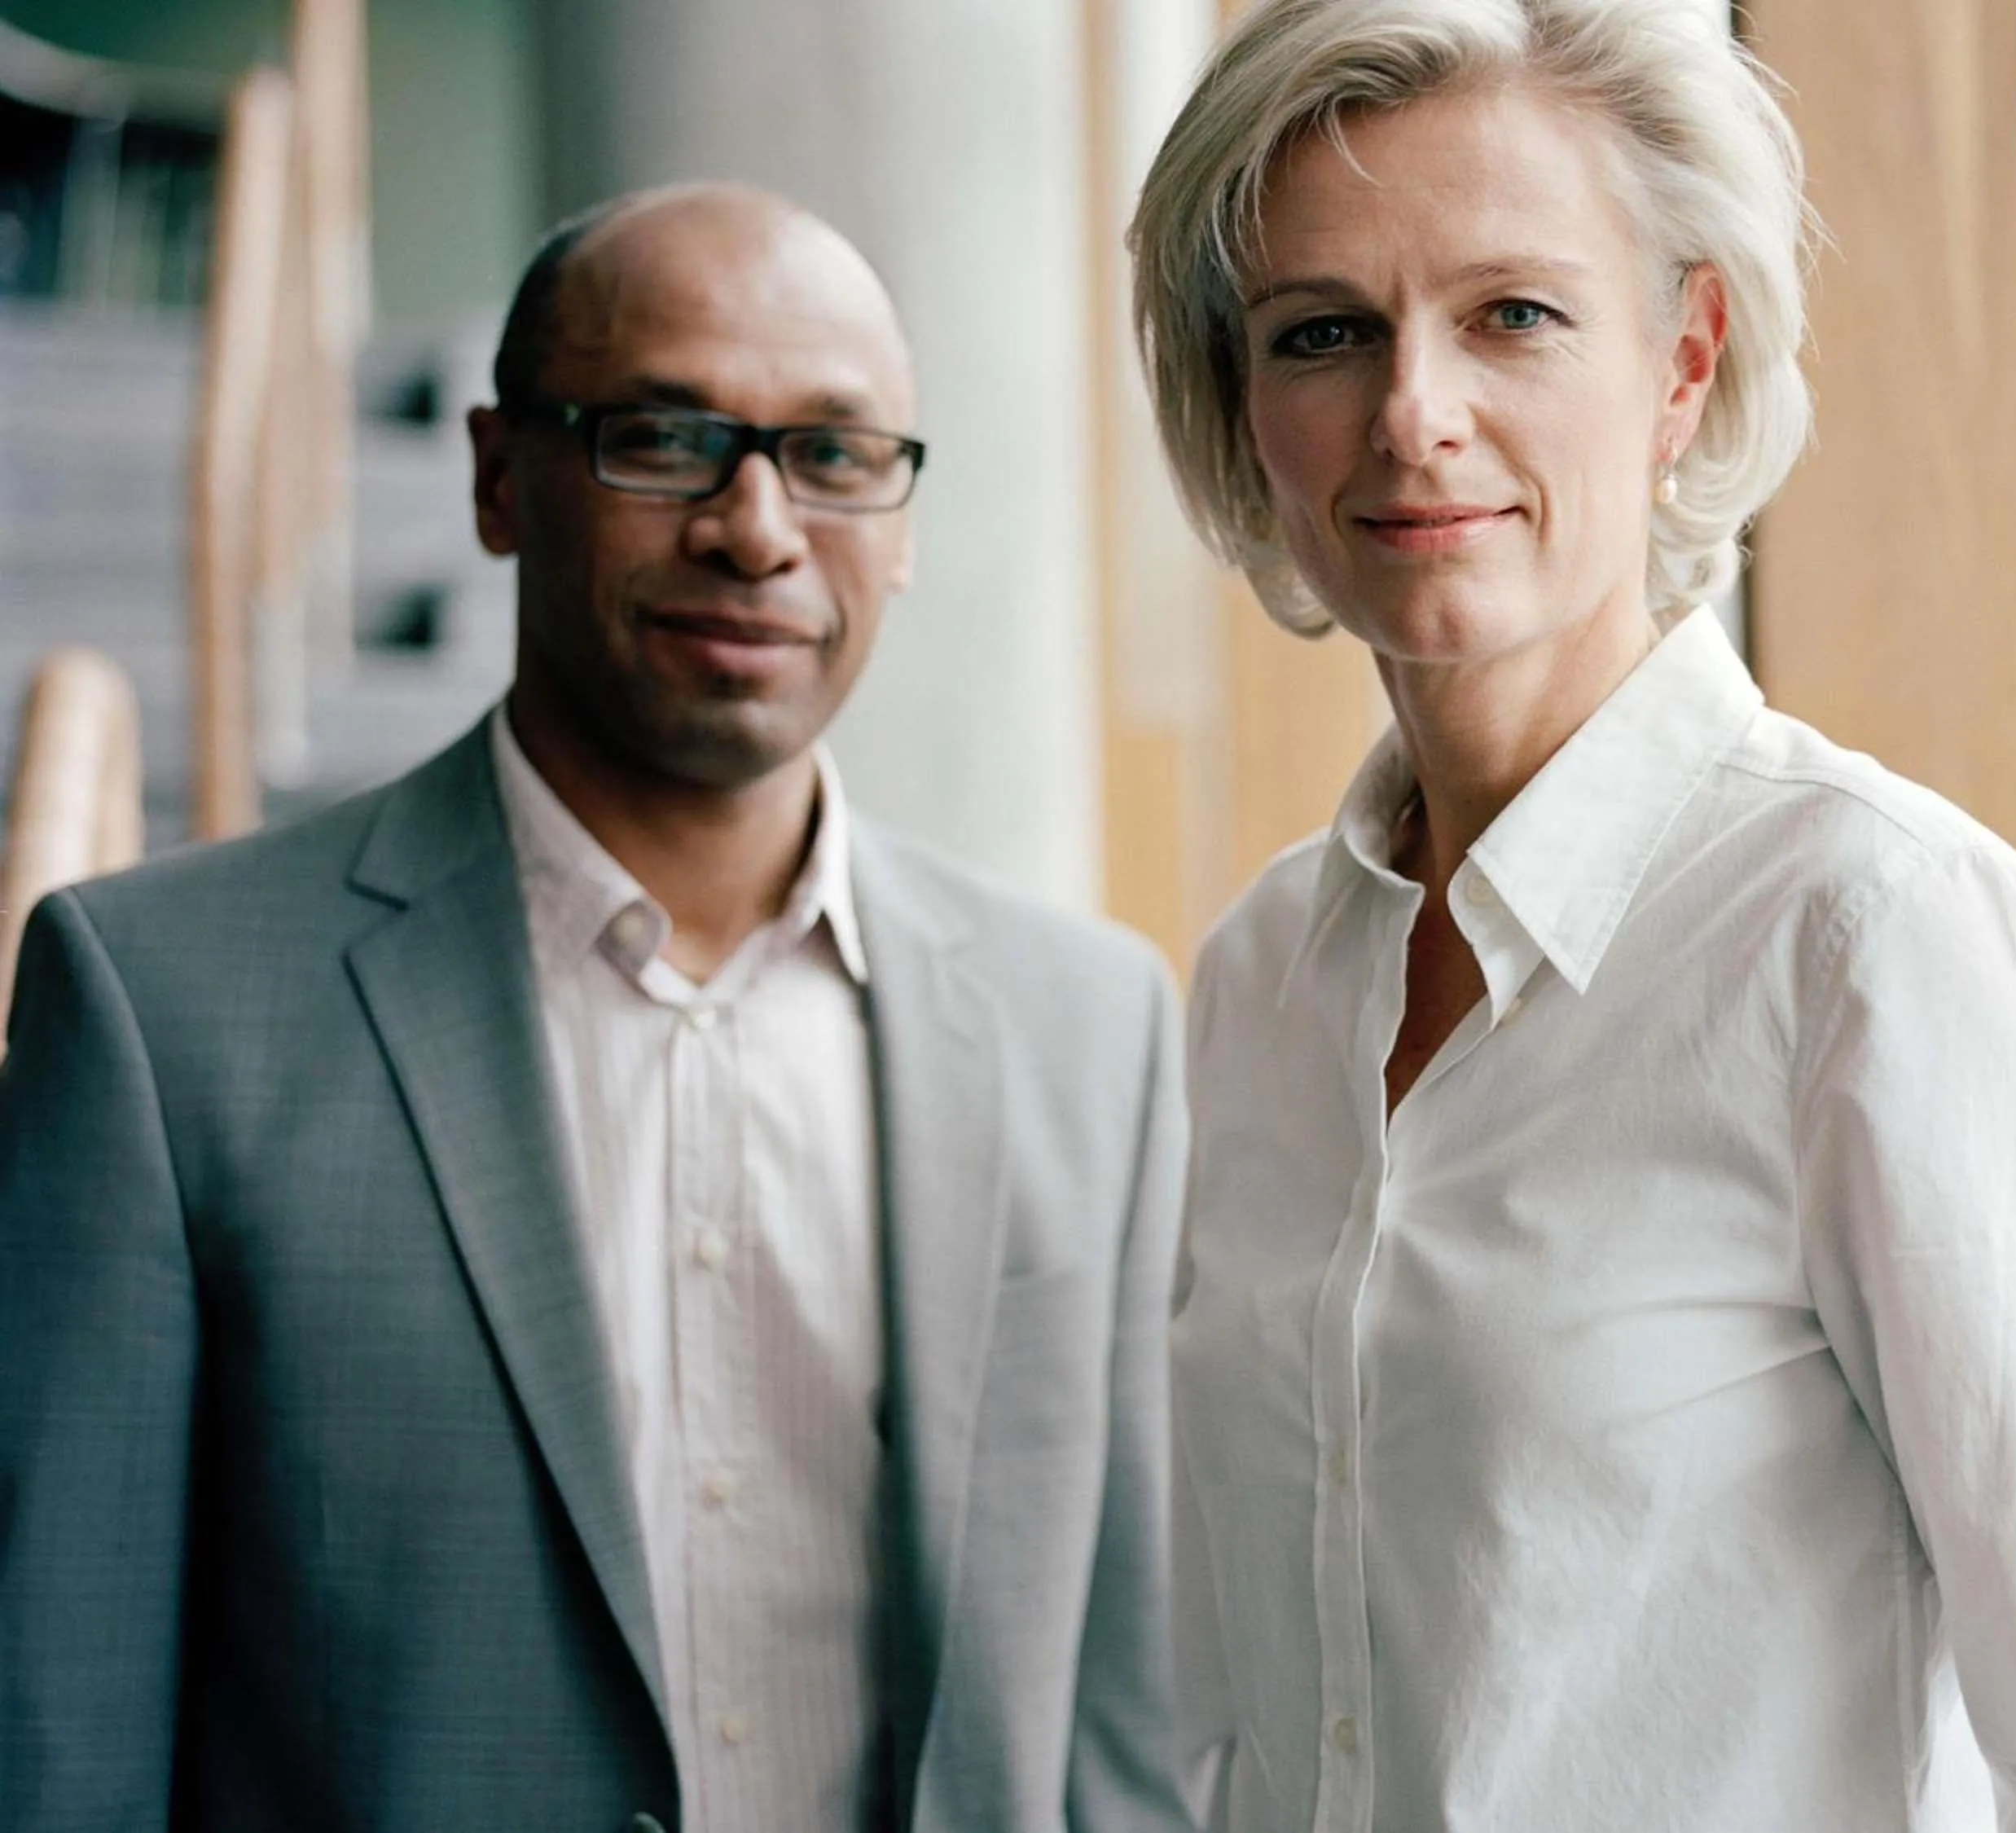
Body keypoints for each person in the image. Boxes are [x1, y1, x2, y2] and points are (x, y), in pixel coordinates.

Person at [1129, 3, 2016, 1828]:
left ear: (1683, 365)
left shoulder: (1877, 937)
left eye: (1514, 314)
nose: (1414, 412)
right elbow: (1242, 1716)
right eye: (1322, 332)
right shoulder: (1259, 976)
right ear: (1248, 413)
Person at [0, 183, 1191, 1833]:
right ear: (500, 477)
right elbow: (61, 1739)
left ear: (905, 521)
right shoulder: (158, 1009)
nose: (758, 527)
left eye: (834, 456)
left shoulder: (1094, 1029)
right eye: (664, 437)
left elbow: (1118, 1740)